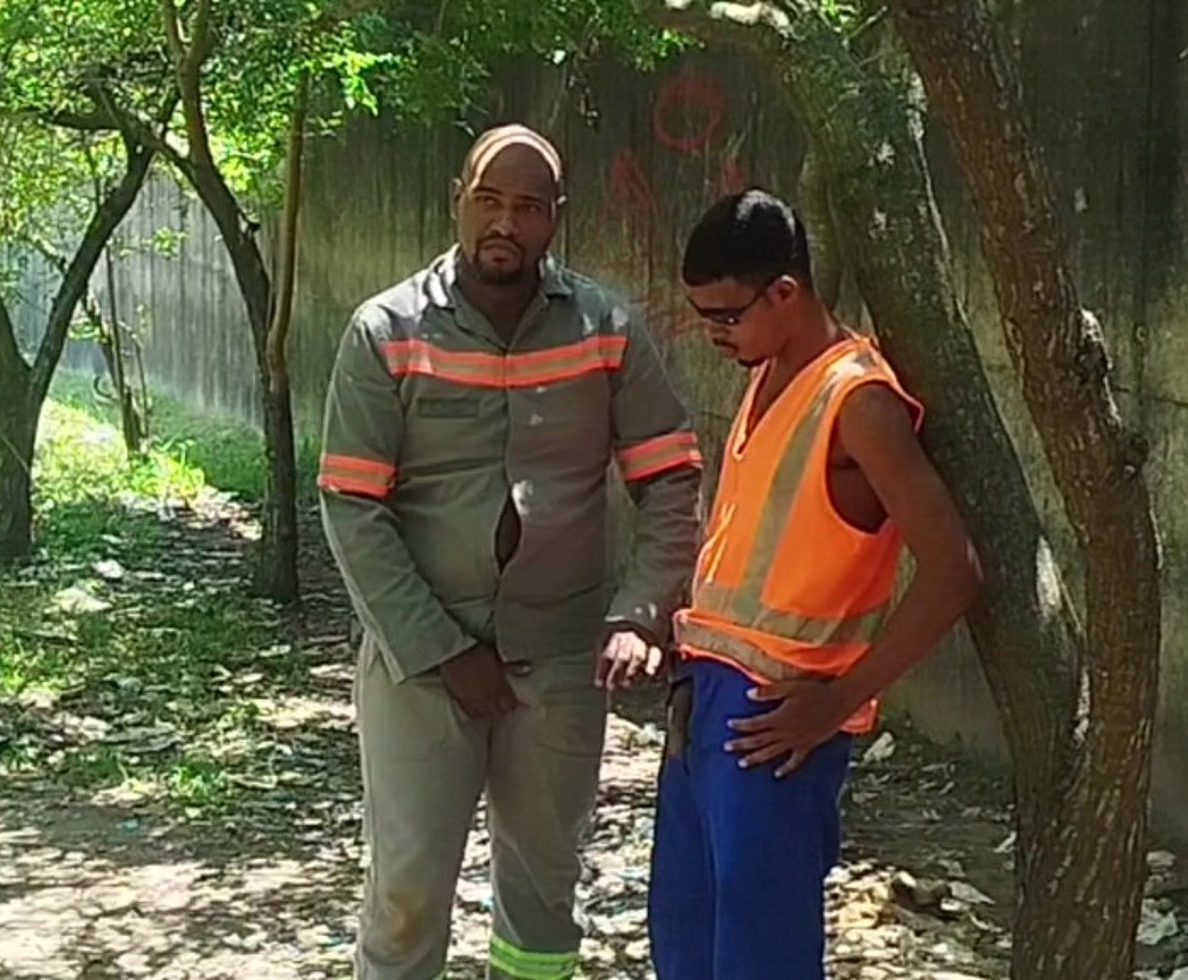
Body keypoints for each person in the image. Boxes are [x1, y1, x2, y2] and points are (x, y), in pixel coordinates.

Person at [317, 123, 702, 980]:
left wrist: (641, 610)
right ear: (458, 199)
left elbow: (671, 477)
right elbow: (351, 505)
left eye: (528, 207)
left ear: (555, 218)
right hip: (421, 667)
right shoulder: (387, 331)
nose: (506, 222)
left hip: (561, 663)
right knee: (407, 890)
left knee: (543, 892)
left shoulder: (606, 329)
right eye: (489, 201)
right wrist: (442, 649)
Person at [647, 188, 983, 980]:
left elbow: (955, 572)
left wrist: (837, 702)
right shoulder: (766, 376)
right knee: (686, 942)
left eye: (726, 316)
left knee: (760, 956)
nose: (715, 335)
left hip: (780, 718)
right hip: (706, 700)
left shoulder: (858, 401)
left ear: (786, 293)